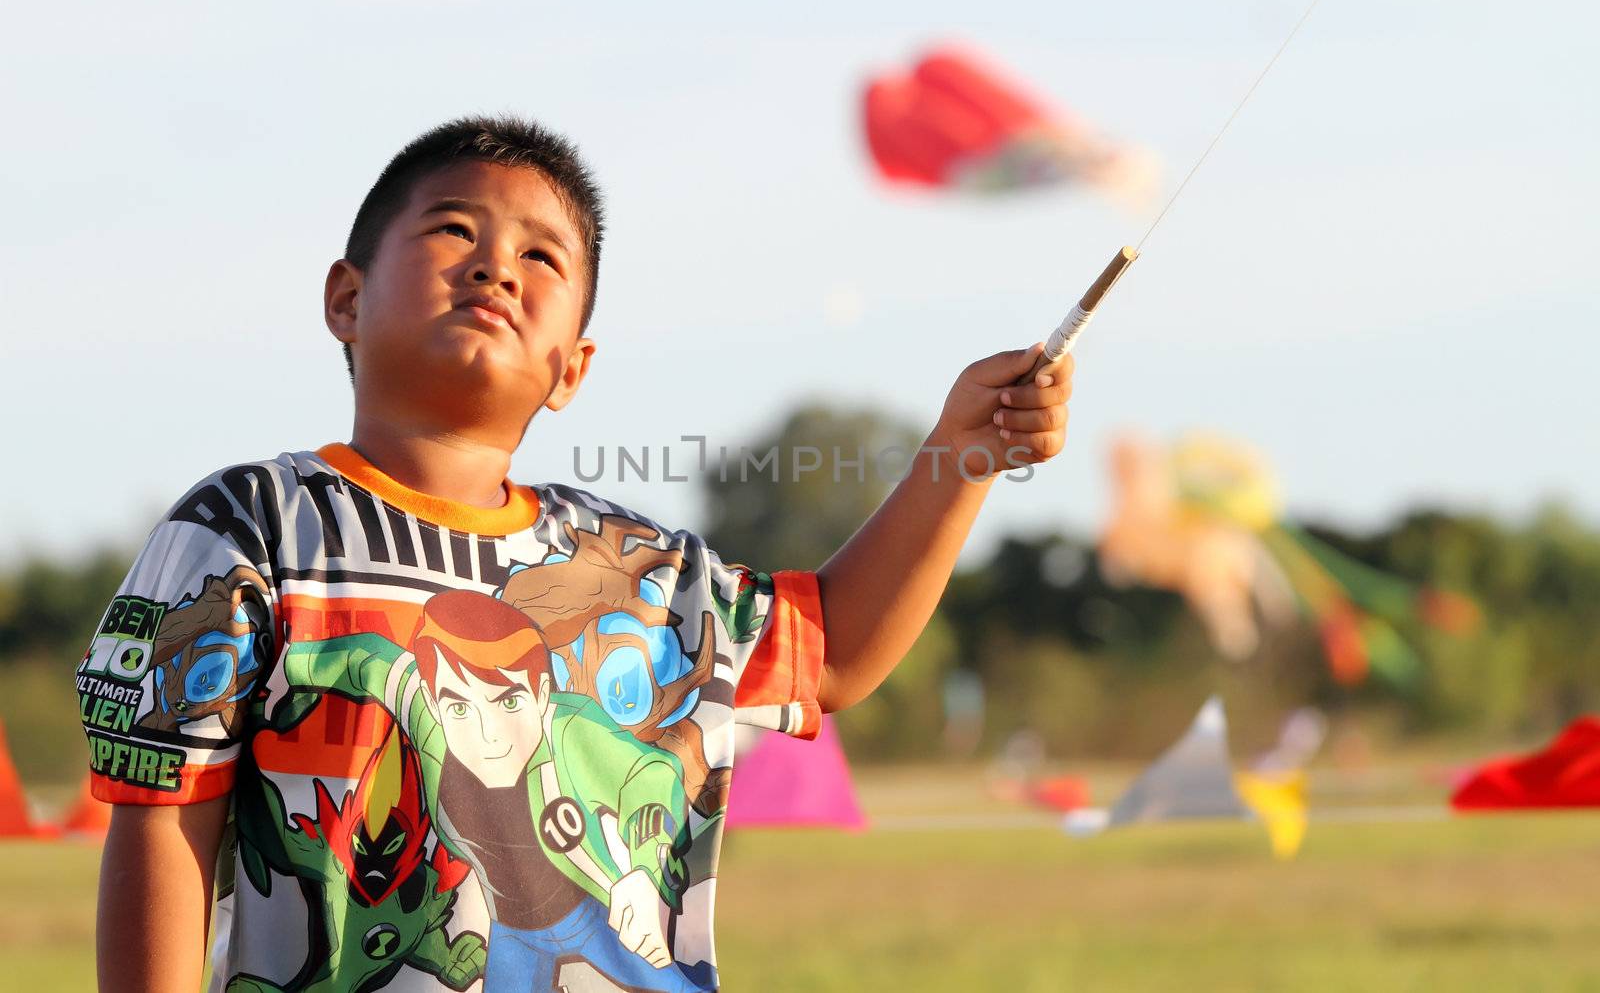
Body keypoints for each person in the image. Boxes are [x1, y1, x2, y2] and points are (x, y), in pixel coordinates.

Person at [80, 115, 1073, 992]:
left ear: (573, 368)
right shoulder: (250, 527)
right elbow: (163, 825)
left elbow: (837, 649)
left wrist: (961, 455)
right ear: (346, 297)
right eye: (452, 230)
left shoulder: (632, 568)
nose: (495, 267)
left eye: (543, 258)